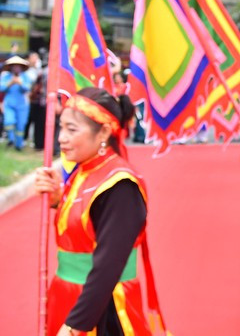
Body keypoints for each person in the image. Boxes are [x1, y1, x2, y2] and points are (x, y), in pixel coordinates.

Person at [33, 87, 165, 335]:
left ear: (104, 131)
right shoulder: (85, 170)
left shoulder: (120, 186)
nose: (61, 138)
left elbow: (108, 267)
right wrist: (56, 199)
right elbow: (86, 227)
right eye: (61, 127)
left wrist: (75, 326)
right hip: (68, 298)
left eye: (72, 130)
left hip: (103, 310)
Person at [1, 55, 32, 150]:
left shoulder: (25, 77)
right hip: (9, 103)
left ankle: (19, 145)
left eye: (18, 66)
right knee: (9, 121)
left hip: (22, 105)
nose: (16, 67)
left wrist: (20, 83)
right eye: (14, 66)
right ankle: (11, 139)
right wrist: (10, 83)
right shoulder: (6, 76)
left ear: (21, 67)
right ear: (10, 67)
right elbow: (1, 88)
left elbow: (28, 88)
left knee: (20, 125)